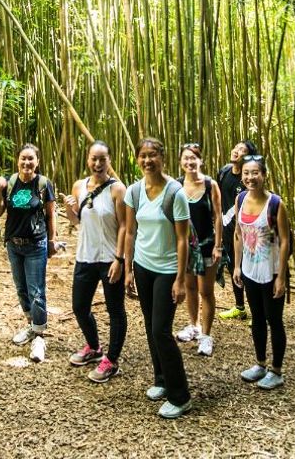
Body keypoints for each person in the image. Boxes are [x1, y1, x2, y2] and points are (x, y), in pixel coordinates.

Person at [124, 137, 192, 419]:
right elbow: (130, 232)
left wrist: (180, 279)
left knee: (161, 331)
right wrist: (128, 268)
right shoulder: (134, 191)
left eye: (152, 155)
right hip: (143, 266)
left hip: (167, 270)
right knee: (151, 325)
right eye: (143, 156)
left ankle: (181, 396)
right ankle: (161, 380)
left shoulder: (175, 193)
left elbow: (183, 239)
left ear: (162, 157)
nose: (147, 161)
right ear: (137, 159)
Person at [63, 140, 127, 383]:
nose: (98, 163)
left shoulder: (117, 189)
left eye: (102, 159)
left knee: (115, 310)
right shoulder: (79, 186)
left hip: (110, 258)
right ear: (88, 159)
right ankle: (93, 347)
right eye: (94, 158)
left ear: (109, 160)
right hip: (85, 256)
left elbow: (124, 227)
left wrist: (120, 259)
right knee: (80, 307)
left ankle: (112, 360)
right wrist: (69, 208)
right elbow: (76, 221)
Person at [0, 143, 58, 363]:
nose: (27, 162)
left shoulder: (43, 184)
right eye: (23, 158)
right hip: (14, 245)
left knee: (36, 292)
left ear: (37, 162)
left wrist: (52, 241)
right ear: (18, 160)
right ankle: (32, 325)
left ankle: (39, 337)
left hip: (36, 245)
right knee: (22, 290)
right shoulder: (10, 182)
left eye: (31, 159)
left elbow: (51, 215)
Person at [233, 155, 290, 390]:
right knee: (256, 318)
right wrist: (237, 266)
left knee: (274, 320)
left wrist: (281, 277)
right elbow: (238, 234)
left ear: (264, 175)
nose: (250, 177)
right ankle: (260, 363)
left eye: (255, 172)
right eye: (246, 173)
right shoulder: (240, 199)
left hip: (271, 271)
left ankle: (276, 370)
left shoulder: (275, 204)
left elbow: (284, 241)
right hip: (249, 270)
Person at [174, 143, 223, 357]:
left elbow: (218, 216)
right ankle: (193, 325)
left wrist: (218, 246)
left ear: (200, 160)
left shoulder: (211, 185)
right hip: (185, 247)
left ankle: (206, 335)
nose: (190, 162)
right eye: (186, 158)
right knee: (190, 288)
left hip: (207, 245)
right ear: (180, 162)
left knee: (206, 291)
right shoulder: (176, 186)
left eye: (193, 158)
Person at [217, 139, 258, 320]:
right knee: (234, 267)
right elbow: (218, 198)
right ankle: (240, 307)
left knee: (248, 271)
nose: (236, 150)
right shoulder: (224, 172)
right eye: (236, 147)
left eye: (242, 150)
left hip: (245, 233)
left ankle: (258, 312)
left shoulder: (248, 178)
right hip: (227, 231)